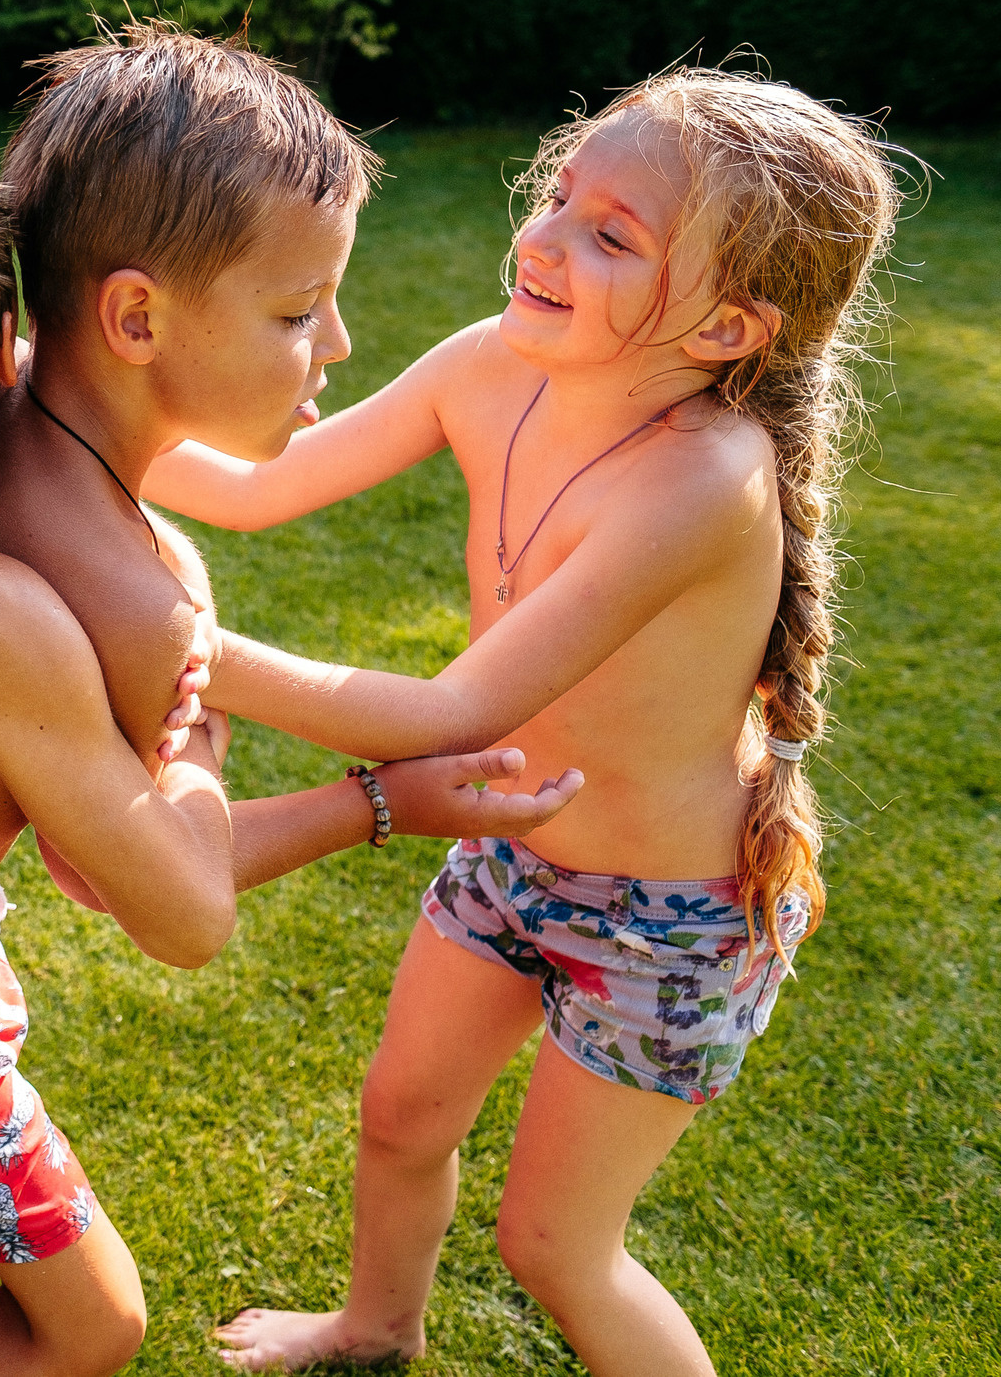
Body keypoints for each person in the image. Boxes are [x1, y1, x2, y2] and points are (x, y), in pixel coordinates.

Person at [0, 23, 584, 1377]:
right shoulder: (135, 602)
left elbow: (235, 657)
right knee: (91, 1320)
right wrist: (378, 803)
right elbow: (160, 893)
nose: (335, 339)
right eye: (295, 312)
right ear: (139, 316)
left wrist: (433, 719)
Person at [126, 69, 903, 1375]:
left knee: (557, 1244)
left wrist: (174, 645)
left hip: (673, 915)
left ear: (727, 325)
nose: (542, 238)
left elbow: (454, 710)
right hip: (511, 851)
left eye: (613, 235)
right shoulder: (490, 365)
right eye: (561, 196)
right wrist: (55, 395)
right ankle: (375, 1328)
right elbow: (256, 485)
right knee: (400, 1115)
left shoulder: (705, 481)